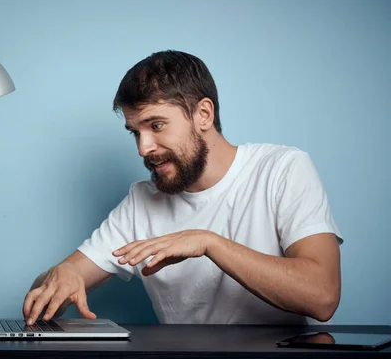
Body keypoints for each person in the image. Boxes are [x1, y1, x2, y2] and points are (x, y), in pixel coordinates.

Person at [22, 50, 343, 325]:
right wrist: (63, 273)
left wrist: (209, 243)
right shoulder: (142, 201)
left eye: (156, 125)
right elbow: (52, 287)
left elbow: (322, 297)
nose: (143, 148)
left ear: (203, 113)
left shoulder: (282, 169)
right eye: (135, 132)